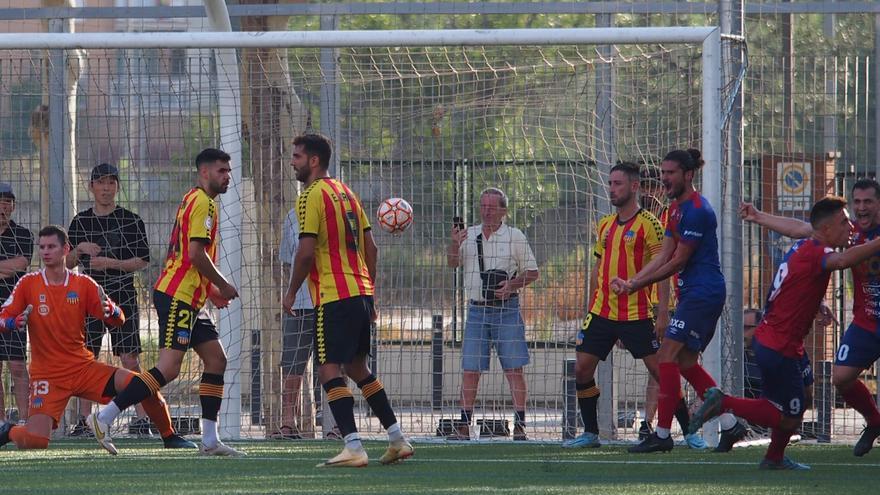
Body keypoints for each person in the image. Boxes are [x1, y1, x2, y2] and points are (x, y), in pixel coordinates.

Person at [690, 196, 880, 469]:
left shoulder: (809, 242)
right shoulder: (820, 253)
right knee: (788, 416)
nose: (849, 226)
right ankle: (725, 404)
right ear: (826, 229)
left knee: (803, 391)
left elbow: (796, 230)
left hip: (777, 339)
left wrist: (758, 216)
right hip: (780, 346)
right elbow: (842, 261)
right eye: (843, 221)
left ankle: (774, 457)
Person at [89, 148, 243, 457]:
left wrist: (208, 290)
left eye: (229, 171)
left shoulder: (194, 198)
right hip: (178, 297)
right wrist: (222, 284)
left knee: (216, 360)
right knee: (169, 368)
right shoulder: (204, 204)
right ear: (204, 173)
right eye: (222, 171)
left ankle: (210, 440)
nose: (228, 176)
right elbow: (196, 254)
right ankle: (104, 416)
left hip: (188, 296)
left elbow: (188, 253)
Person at [282, 133, 412, 467]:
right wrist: (368, 291)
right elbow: (372, 248)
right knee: (358, 367)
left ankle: (353, 445)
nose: (292, 162)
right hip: (360, 294)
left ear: (313, 161)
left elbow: (306, 251)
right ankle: (397, 439)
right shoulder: (346, 192)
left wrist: (292, 290)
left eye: (296, 156)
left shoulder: (310, 196)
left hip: (333, 296)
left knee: (328, 370)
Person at [0, 225, 189, 452]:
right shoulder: (28, 284)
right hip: (47, 376)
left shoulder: (84, 284)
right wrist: (13, 323)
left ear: (65, 249)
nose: (45, 252)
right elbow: (3, 318)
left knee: (141, 383)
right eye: (42, 247)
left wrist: (109, 311)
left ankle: (169, 436)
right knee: (36, 442)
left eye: (51, 246)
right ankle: (8, 431)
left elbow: (119, 318)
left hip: (82, 368)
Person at [562, 163, 704, 449]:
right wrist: (589, 306)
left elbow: (662, 268)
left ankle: (689, 432)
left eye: (618, 184)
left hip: (636, 314)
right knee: (581, 369)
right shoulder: (604, 225)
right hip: (601, 312)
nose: (612, 189)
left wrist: (662, 312)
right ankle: (591, 433)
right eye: (611, 183)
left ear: (634, 187)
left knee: (661, 372)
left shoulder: (649, 224)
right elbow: (598, 268)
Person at [612, 149, 740, 453]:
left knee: (666, 356)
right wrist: (633, 283)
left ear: (688, 175)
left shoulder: (698, 211)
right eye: (663, 172)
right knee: (683, 362)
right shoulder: (674, 210)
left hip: (703, 293)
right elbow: (663, 256)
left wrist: (636, 285)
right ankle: (731, 424)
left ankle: (662, 433)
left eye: (670, 173)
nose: (665, 178)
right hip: (692, 293)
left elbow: (677, 262)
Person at [741, 177, 880, 457]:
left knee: (792, 405)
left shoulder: (845, 231)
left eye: (868, 202)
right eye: (857, 202)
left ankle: (768, 448)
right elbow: (805, 231)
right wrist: (758, 217)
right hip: (868, 321)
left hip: (779, 340)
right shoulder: (849, 233)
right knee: (840, 378)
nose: (861, 208)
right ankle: (875, 422)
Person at [66, 163, 154, 437]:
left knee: (129, 358)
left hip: (123, 295)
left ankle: (142, 419)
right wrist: (79, 249)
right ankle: (83, 421)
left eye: (111, 182)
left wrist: (110, 263)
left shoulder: (131, 220)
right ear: (91, 186)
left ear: (117, 186)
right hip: (88, 295)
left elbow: (142, 260)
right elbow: (66, 263)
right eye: (101, 182)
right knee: (86, 357)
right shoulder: (80, 222)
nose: (106, 188)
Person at [447, 187, 539, 441]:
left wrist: (511, 285)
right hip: (476, 309)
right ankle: (464, 425)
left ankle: (520, 425)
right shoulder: (470, 235)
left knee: (514, 369)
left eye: (492, 207)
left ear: (503, 211)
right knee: (470, 370)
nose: (486, 211)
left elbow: (533, 272)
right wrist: (454, 244)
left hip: (507, 310)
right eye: (483, 206)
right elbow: (452, 263)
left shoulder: (515, 236)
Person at [636, 168, 704, 448]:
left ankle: (694, 424)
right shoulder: (638, 220)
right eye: (646, 189)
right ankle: (651, 423)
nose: (649, 194)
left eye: (654, 188)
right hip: (650, 302)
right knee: (661, 366)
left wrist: (663, 310)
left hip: (679, 302)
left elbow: (667, 264)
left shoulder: (675, 216)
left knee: (678, 362)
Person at [271, 206, 315, 440]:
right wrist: (291, 292)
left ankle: (337, 424)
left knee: (334, 365)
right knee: (291, 364)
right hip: (299, 303)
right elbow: (289, 261)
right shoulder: (293, 214)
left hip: (332, 299)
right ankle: (288, 423)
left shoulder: (340, 208)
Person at [0, 183, 32, 425]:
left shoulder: (23, 234)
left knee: (18, 365)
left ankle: (25, 420)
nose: (5, 205)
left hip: (14, 310)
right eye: (1, 200)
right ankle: (1, 422)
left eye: (9, 201)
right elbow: (10, 267)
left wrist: (9, 267)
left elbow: (20, 265)